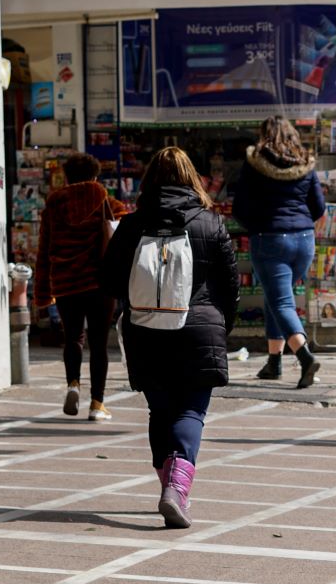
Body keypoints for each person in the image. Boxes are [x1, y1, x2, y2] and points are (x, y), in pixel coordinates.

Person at [102, 147, 239, 528]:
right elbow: (230, 285)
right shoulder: (210, 222)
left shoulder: (131, 225)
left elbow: (110, 280)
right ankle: (176, 491)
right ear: (192, 178)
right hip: (200, 327)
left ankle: (170, 487)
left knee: (160, 410)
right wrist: (222, 326)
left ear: (149, 180)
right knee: (191, 409)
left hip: (145, 330)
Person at [234, 116, 326, 389]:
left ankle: (305, 356)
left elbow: (239, 207)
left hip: (270, 240)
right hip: (304, 242)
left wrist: (257, 226)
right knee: (276, 298)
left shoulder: (255, 164)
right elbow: (318, 206)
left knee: (281, 302)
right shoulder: (305, 164)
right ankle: (274, 362)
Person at [36, 154, 129, 421]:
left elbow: (44, 250)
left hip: (66, 283)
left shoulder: (54, 205)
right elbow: (123, 237)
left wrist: (43, 290)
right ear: (96, 176)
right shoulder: (107, 203)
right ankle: (97, 404)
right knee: (99, 344)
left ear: (66, 177)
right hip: (99, 283)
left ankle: (73, 384)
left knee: (73, 338)